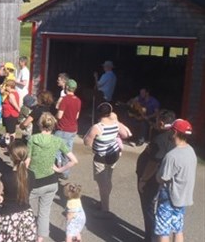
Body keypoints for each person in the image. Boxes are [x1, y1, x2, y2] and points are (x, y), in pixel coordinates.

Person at [27, 112, 78, 242]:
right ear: (53, 125)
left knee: (21, 205)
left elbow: (27, 160)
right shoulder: (58, 141)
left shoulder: (33, 139)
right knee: (44, 212)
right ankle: (40, 238)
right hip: (51, 181)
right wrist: (60, 169)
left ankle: (18, 231)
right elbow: (74, 160)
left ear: (39, 124)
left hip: (34, 180)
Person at [83, 102, 131, 217]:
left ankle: (105, 208)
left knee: (102, 183)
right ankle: (104, 202)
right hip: (114, 154)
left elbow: (87, 143)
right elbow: (125, 134)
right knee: (108, 179)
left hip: (101, 157)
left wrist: (87, 136)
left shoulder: (97, 127)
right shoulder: (116, 123)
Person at [136, 109, 176, 242]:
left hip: (151, 180)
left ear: (162, 122)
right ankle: (157, 235)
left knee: (148, 208)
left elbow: (153, 163)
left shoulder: (160, 139)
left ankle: (151, 237)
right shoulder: (173, 136)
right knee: (159, 208)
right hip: (164, 179)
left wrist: (143, 179)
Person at [154, 119, 196, 242]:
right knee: (178, 229)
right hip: (182, 197)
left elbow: (163, 177)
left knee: (163, 230)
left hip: (169, 196)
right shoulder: (191, 151)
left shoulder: (172, 155)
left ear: (175, 133)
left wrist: (157, 176)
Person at [0, 139, 36, 242]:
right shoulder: (32, 175)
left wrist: (1, 197)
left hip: (9, 217)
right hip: (27, 215)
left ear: (11, 156)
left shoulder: (5, 177)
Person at [55, 79, 81, 178]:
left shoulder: (65, 99)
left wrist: (56, 113)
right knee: (67, 151)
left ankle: (56, 170)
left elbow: (59, 116)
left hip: (63, 128)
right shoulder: (78, 100)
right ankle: (65, 173)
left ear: (66, 87)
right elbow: (77, 116)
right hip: (73, 128)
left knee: (55, 150)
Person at [1, 79, 20, 145]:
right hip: (7, 114)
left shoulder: (11, 95)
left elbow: (14, 104)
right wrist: (3, 86)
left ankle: (11, 144)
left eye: (7, 86)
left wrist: (18, 109)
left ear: (10, 86)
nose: (6, 87)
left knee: (11, 131)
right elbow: (2, 91)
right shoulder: (9, 93)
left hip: (10, 114)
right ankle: (7, 143)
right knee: (8, 130)